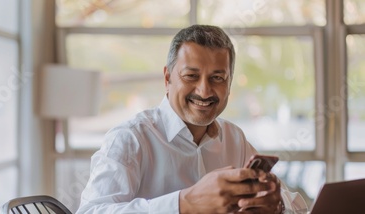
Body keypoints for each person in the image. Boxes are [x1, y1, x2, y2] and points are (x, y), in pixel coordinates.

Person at [77, 25, 308, 213]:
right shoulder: (130, 138)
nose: (205, 91)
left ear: (229, 83)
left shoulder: (234, 137)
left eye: (217, 77)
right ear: (167, 78)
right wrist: (184, 204)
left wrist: (277, 206)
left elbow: (296, 207)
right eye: (191, 76)